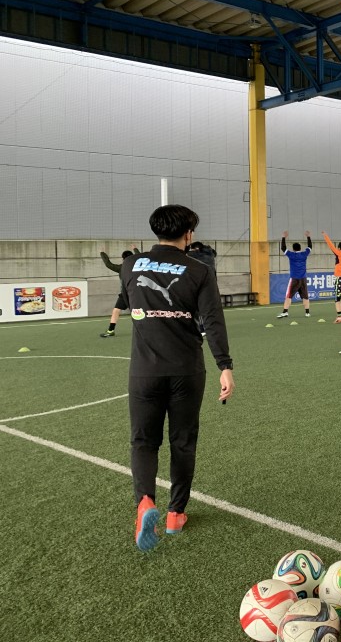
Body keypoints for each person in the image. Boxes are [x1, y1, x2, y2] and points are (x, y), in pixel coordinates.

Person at [122, 205, 233, 551]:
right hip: (187, 370)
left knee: (143, 442)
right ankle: (175, 515)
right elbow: (213, 321)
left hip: (144, 371)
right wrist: (225, 365)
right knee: (182, 442)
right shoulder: (200, 270)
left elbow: (128, 301)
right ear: (188, 234)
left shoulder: (130, 265)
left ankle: (145, 502)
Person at [99, 244, 139, 337]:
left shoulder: (121, 267)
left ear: (123, 259)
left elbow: (108, 264)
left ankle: (111, 330)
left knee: (116, 310)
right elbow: (140, 257)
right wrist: (135, 249)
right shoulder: (138, 266)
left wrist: (102, 253)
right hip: (137, 293)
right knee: (141, 311)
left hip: (125, 293)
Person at [277, 231, 312, 319]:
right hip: (303, 278)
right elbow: (310, 247)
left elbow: (283, 248)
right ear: (300, 248)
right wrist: (308, 237)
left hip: (294, 279)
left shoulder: (291, 255)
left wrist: (283, 237)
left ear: (293, 249)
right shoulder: (304, 254)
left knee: (288, 296)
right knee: (305, 296)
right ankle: (307, 313)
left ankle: (285, 312)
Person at [186, 242, 218, 336]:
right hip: (211, 285)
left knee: (198, 308)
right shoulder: (210, 254)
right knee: (207, 308)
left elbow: (184, 255)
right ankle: (208, 328)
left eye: (192, 249)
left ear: (196, 249)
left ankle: (202, 328)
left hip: (199, 285)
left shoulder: (197, 256)